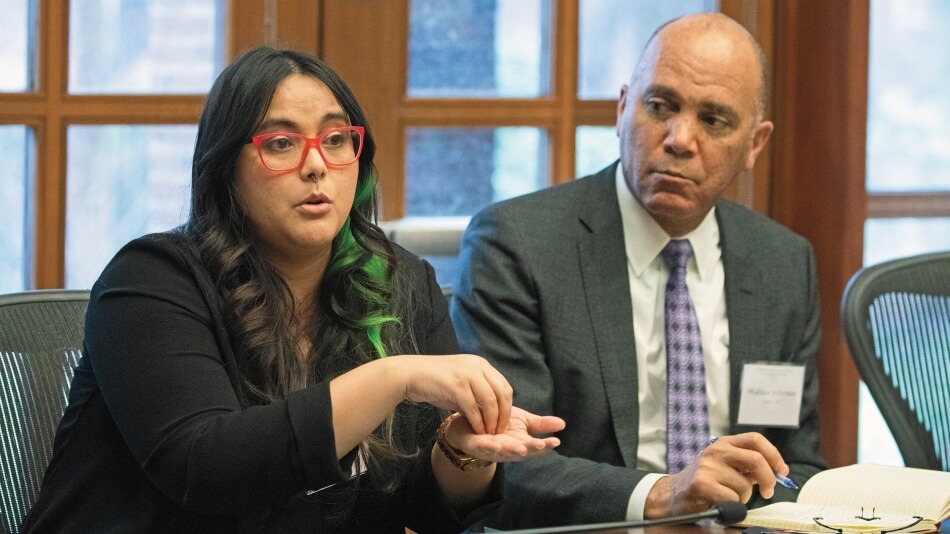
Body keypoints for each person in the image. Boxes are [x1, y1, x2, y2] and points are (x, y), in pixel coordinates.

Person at [22, 46, 565, 533]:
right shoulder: (150, 278)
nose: (315, 166)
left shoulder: (402, 282)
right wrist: (392, 377)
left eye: (335, 140)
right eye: (281, 143)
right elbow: (205, 469)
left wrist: (463, 452)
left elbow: (415, 508)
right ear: (225, 168)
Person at [451, 13, 826, 529]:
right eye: (659, 105)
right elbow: (505, 464)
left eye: (713, 120)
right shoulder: (517, 243)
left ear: (754, 145)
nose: (679, 138)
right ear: (624, 107)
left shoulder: (783, 262)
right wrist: (664, 495)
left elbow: (795, 462)